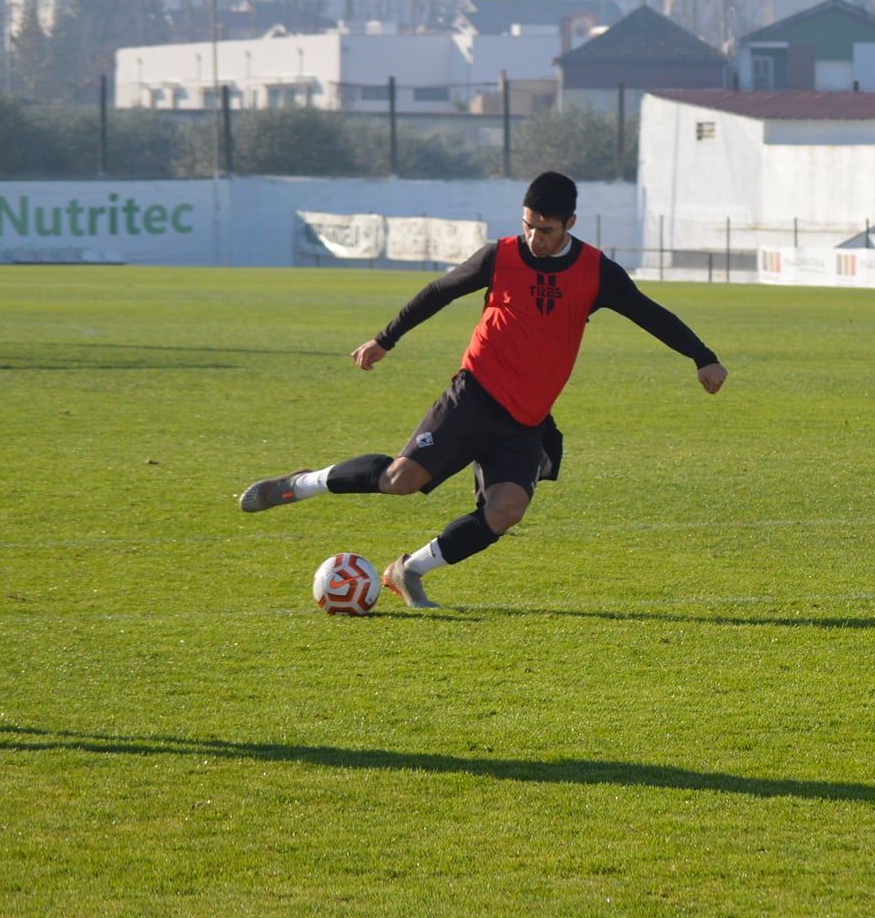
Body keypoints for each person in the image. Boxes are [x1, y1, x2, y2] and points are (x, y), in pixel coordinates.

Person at [238, 171, 727, 609]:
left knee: (505, 511)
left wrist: (703, 357)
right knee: (400, 481)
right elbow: (439, 291)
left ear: (571, 222)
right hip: (474, 396)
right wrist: (385, 340)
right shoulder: (502, 256)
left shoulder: (596, 272)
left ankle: (406, 571)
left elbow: (651, 313)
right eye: (529, 224)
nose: (535, 236)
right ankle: (299, 485)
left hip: (527, 419)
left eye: (547, 229)